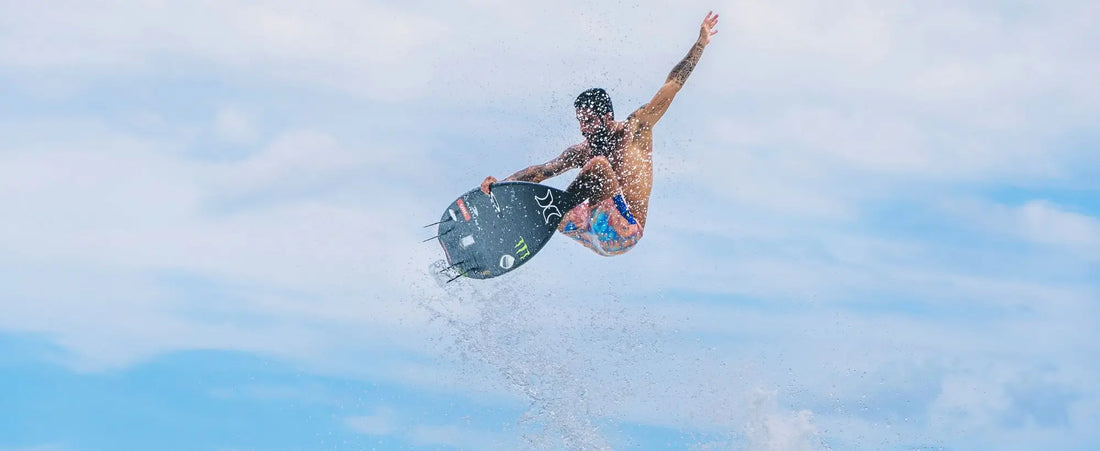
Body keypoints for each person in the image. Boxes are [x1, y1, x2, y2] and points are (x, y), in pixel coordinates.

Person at [481, 11, 719, 256]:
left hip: (625, 231)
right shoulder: (582, 150)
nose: (583, 128)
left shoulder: (635, 129)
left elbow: (672, 85)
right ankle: (513, 223)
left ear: (607, 117)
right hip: (588, 231)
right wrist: (502, 185)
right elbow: (543, 171)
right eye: (580, 121)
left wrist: (700, 44)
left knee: (597, 166)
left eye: (588, 121)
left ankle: (550, 214)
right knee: (539, 196)